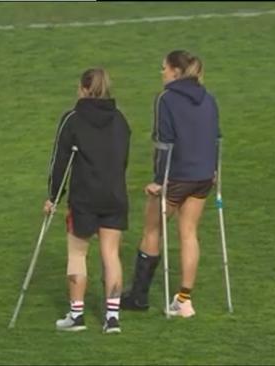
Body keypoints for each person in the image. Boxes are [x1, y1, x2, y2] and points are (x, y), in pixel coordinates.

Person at [121, 50, 220, 318]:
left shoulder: (166, 99)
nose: (161, 72)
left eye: (163, 67)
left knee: (152, 230)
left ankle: (138, 297)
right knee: (188, 232)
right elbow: (216, 138)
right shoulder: (209, 99)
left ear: (176, 71)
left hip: (175, 177)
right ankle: (184, 300)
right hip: (203, 177)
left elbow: (164, 143)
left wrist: (157, 181)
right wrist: (213, 171)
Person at [46, 68, 131, 334]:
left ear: (83, 88)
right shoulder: (120, 119)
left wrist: (53, 197)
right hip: (114, 195)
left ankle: (77, 314)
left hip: (84, 197)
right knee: (111, 254)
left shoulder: (72, 119)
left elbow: (59, 163)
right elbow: (123, 159)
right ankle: (112, 318)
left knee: (77, 253)